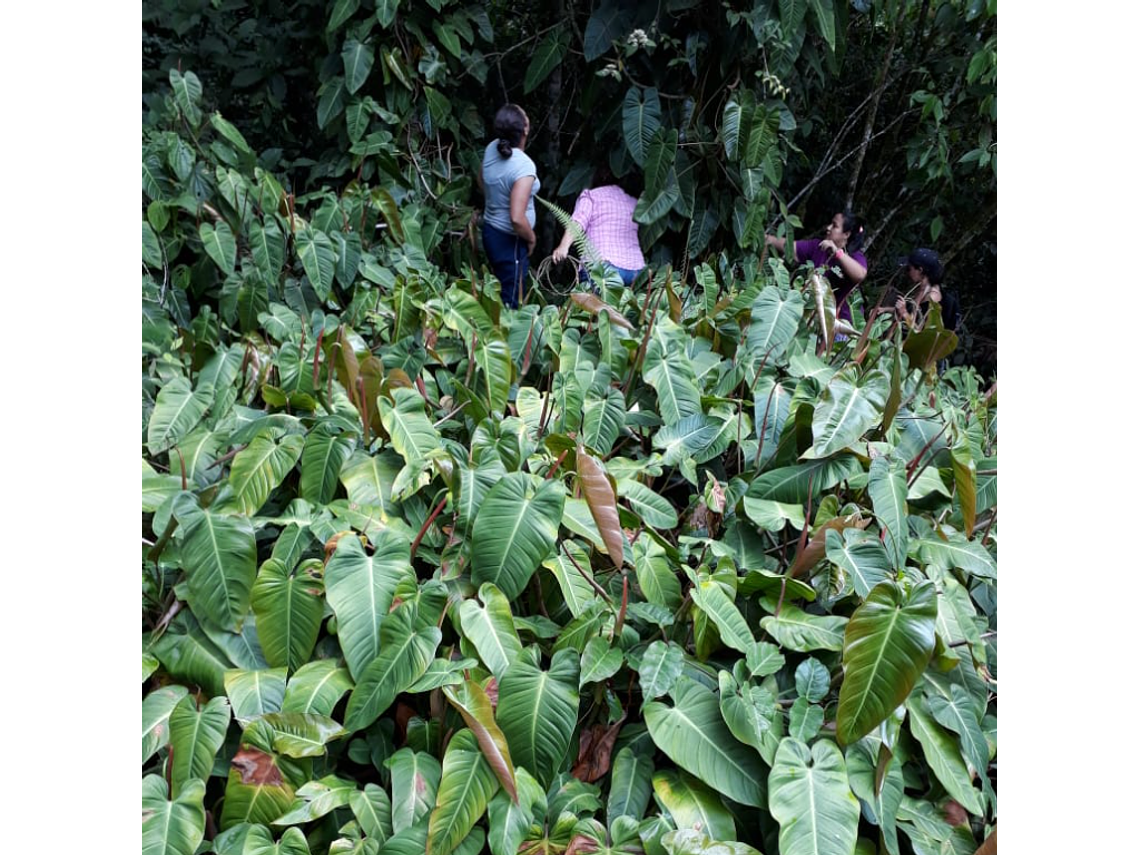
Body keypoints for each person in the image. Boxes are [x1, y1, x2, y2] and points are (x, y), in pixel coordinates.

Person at [478, 104, 539, 309]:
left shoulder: (491, 148)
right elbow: (516, 218)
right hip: (509, 241)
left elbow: (481, 180)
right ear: (525, 130)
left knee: (501, 293)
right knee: (511, 304)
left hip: (491, 233)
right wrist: (531, 239)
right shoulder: (523, 166)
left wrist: (496, 201)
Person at [765, 211, 868, 323]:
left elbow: (860, 275)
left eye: (834, 226)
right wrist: (766, 238)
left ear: (846, 234)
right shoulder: (818, 246)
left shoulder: (855, 256)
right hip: (817, 318)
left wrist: (837, 253)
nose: (828, 228)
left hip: (842, 323)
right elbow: (790, 247)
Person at [551, 167, 645, 286]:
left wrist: (563, 247)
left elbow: (578, 222)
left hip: (603, 269)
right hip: (635, 271)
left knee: (595, 304)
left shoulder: (592, 196)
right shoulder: (633, 203)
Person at [895, 248, 959, 331]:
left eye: (909, 269)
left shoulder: (932, 297)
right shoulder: (920, 288)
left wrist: (904, 313)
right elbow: (913, 311)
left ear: (920, 270)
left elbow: (921, 332)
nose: (908, 272)